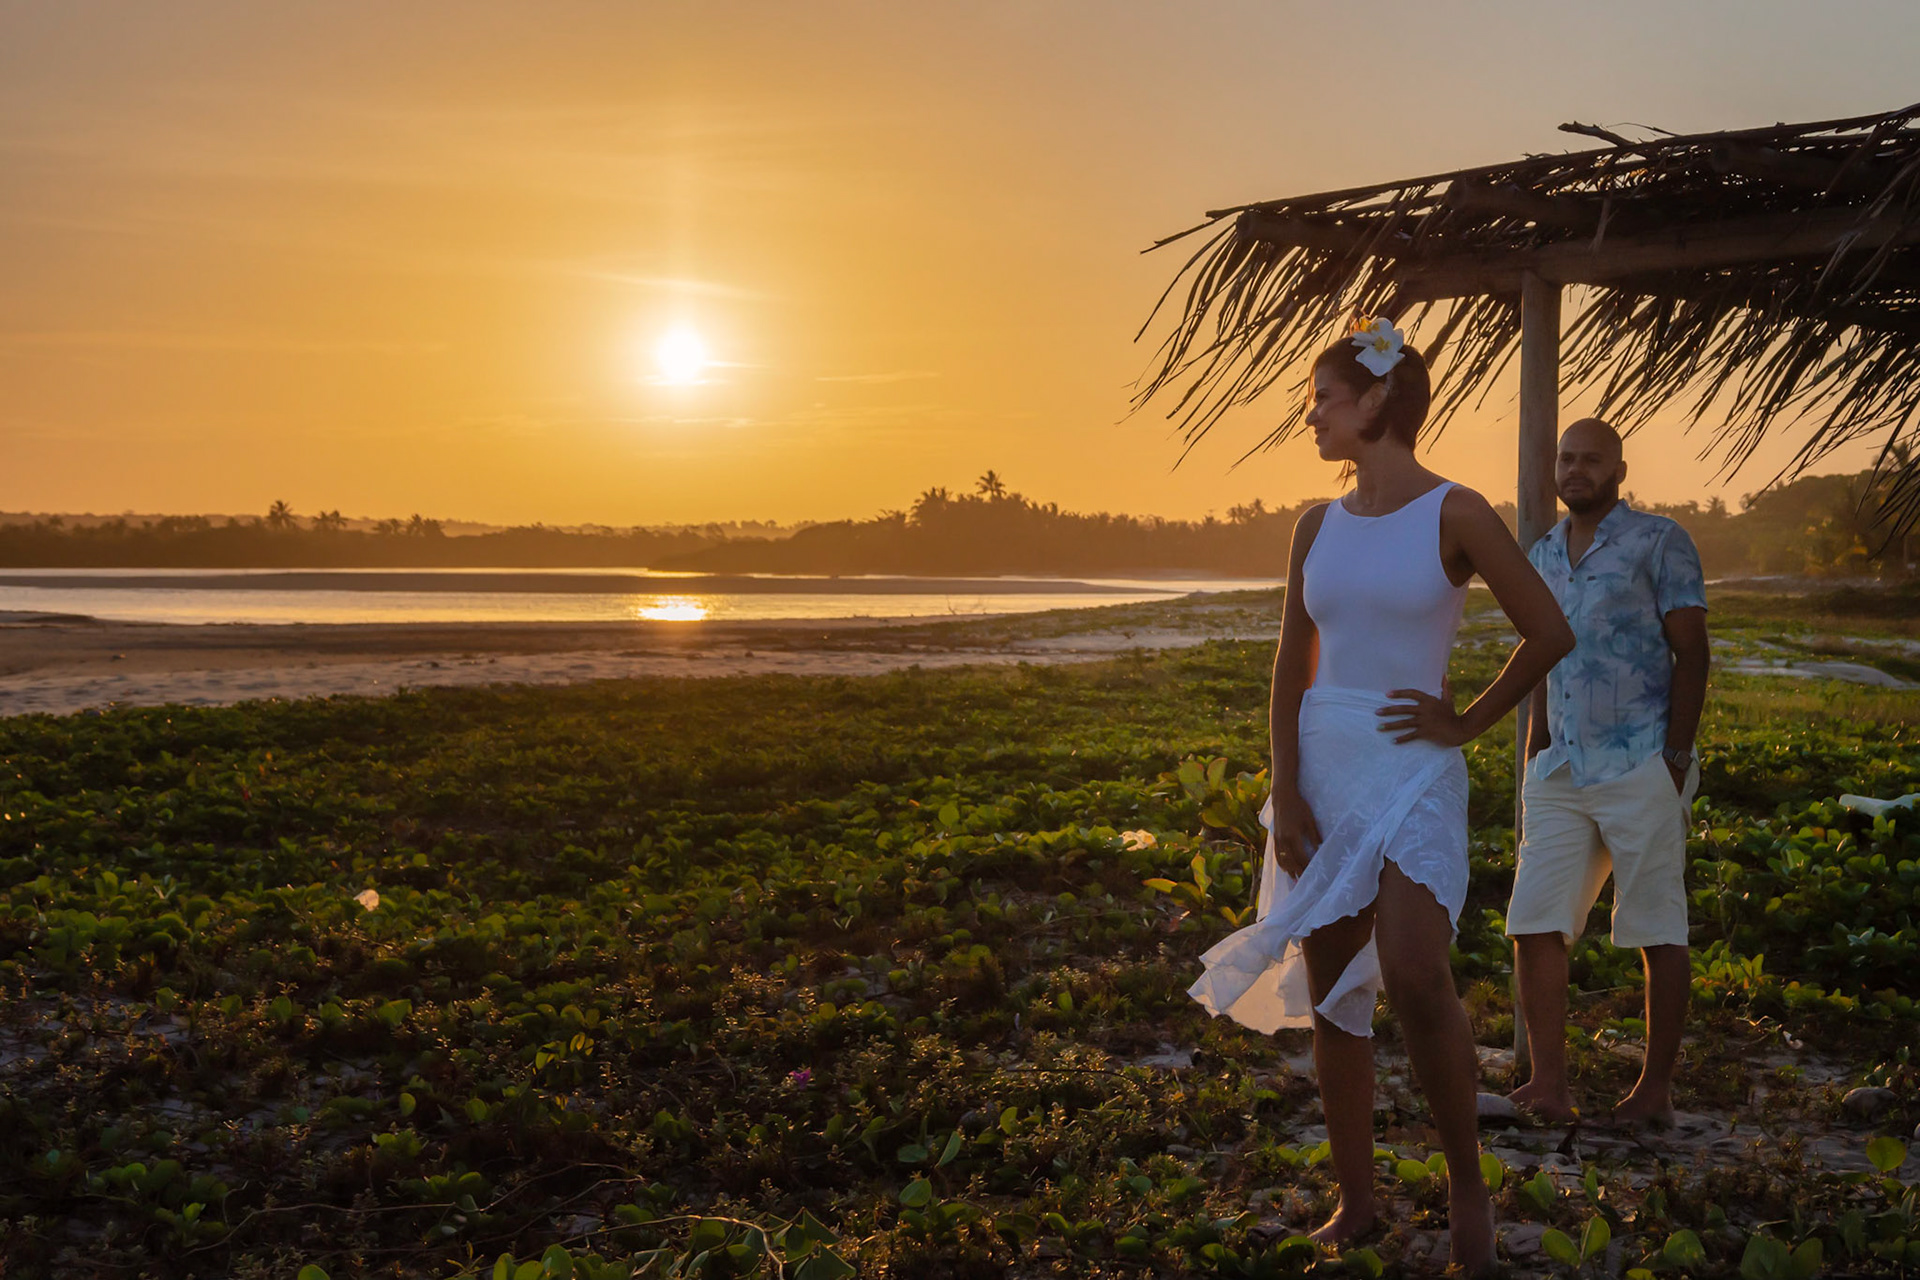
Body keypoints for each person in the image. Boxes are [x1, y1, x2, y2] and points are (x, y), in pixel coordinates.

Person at [1189, 318, 1575, 1274]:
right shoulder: (1314, 525)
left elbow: (1547, 631)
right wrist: (1286, 782)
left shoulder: (1458, 512)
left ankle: (1467, 1189)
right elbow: (1291, 659)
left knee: (1412, 970)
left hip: (1414, 768)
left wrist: (1468, 723)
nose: (1310, 416)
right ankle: (1356, 1201)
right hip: (1322, 761)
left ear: (1375, 404)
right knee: (1333, 995)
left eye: (1322, 397)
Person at [1504, 418, 1710, 1128]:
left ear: (1619, 469)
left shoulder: (1660, 541)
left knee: (1657, 927)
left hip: (1640, 760)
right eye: (1566, 459)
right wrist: (1535, 746)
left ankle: (1654, 1092)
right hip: (1561, 767)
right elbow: (1538, 654)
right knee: (1534, 922)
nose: (1576, 470)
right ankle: (1548, 1084)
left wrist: (1674, 758)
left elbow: (1693, 652)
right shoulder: (1542, 553)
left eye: (1591, 460)